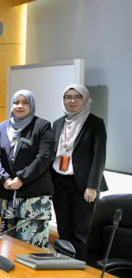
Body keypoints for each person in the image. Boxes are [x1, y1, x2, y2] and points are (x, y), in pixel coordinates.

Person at [0, 90, 55, 249]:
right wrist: (4, 178)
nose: (20, 106)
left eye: (25, 102)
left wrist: (21, 179)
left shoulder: (42, 126)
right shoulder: (2, 128)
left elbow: (44, 157)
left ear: (31, 105)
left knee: (31, 249)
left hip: (33, 198)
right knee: (7, 247)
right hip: (8, 195)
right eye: (16, 102)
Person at [51, 84, 107, 260]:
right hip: (59, 182)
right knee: (63, 227)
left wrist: (93, 186)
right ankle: (63, 264)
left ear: (85, 99)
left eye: (77, 97)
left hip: (84, 184)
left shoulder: (95, 123)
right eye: (68, 97)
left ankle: (80, 268)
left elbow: (99, 156)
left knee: (82, 231)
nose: (72, 101)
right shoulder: (58, 123)